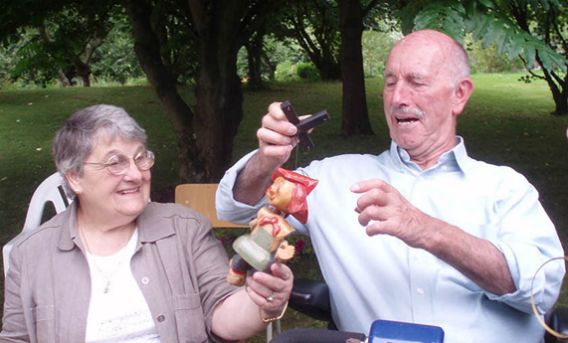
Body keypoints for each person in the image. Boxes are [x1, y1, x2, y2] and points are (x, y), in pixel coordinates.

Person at [215, 29, 565, 342]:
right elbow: (235, 206)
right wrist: (267, 158)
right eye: (390, 82)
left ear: (459, 95)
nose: (398, 97)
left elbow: (540, 290)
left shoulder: (504, 188)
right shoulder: (334, 179)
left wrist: (426, 229)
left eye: (416, 81)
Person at [1, 104, 293, 342]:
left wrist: (262, 299)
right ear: (75, 177)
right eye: (115, 163)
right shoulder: (31, 254)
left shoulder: (185, 229)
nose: (136, 174)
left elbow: (224, 317)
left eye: (141, 158)